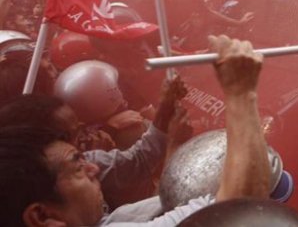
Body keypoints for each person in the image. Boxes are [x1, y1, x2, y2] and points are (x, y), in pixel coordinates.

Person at [0, 35, 271, 226]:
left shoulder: (106, 219)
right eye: (76, 166)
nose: (93, 166)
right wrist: (241, 91)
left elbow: (146, 176)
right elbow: (240, 209)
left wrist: (165, 116)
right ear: (41, 216)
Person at [0, 76, 190, 209]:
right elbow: (165, 212)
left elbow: (138, 160)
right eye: (70, 135)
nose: (93, 169)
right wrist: (173, 145)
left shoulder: (86, 160)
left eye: (81, 126)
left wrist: (165, 108)